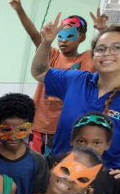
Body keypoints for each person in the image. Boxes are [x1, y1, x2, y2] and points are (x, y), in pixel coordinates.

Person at [8, 0, 108, 154]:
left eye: (69, 36)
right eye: (60, 36)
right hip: (39, 123)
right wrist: (19, 9)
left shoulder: (87, 58)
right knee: (36, 165)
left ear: (82, 38)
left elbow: (106, 52)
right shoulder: (51, 54)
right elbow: (34, 35)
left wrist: (103, 31)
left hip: (67, 128)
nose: (63, 41)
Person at [32, 21, 120, 167]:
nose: (107, 53)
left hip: (104, 181)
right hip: (60, 172)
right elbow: (39, 72)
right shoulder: (76, 80)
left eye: (116, 47)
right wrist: (46, 43)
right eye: (100, 49)